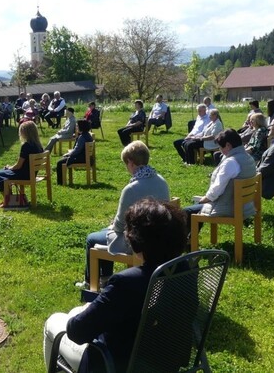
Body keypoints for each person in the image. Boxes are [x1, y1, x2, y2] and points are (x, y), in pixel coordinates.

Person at [44, 198, 187, 372]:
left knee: (54, 322)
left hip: (114, 364)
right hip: (165, 361)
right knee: (76, 311)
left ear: (137, 242)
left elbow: (77, 332)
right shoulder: (186, 272)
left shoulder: (128, 282)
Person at [77, 141, 169, 288]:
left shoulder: (131, 189)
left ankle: (91, 283)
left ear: (131, 163)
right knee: (104, 233)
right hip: (158, 237)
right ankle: (105, 277)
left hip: (137, 242)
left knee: (92, 239)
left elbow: (119, 227)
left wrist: (113, 225)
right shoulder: (161, 181)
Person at [183, 129, 257, 221]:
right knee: (198, 207)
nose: (219, 150)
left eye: (220, 147)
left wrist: (204, 199)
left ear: (228, 145)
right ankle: (191, 235)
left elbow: (217, 189)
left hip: (227, 208)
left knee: (186, 211)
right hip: (246, 206)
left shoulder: (231, 162)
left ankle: (187, 235)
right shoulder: (248, 158)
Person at [0, 121, 44, 200]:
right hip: (31, 173)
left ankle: (9, 200)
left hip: (24, 175)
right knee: (2, 174)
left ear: (25, 132)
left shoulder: (26, 146)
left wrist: (9, 168)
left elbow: (18, 165)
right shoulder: (38, 146)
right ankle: (11, 199)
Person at [56, 119, 93, 185]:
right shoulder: (88, 135)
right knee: (62, 160)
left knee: (59, 163)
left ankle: (60, 183)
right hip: (86, 157)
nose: (76, 128)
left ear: (81, 127)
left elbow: (77, 150)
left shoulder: (82, 137)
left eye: (77, 126)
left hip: (81, 158)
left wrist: (68, 154)